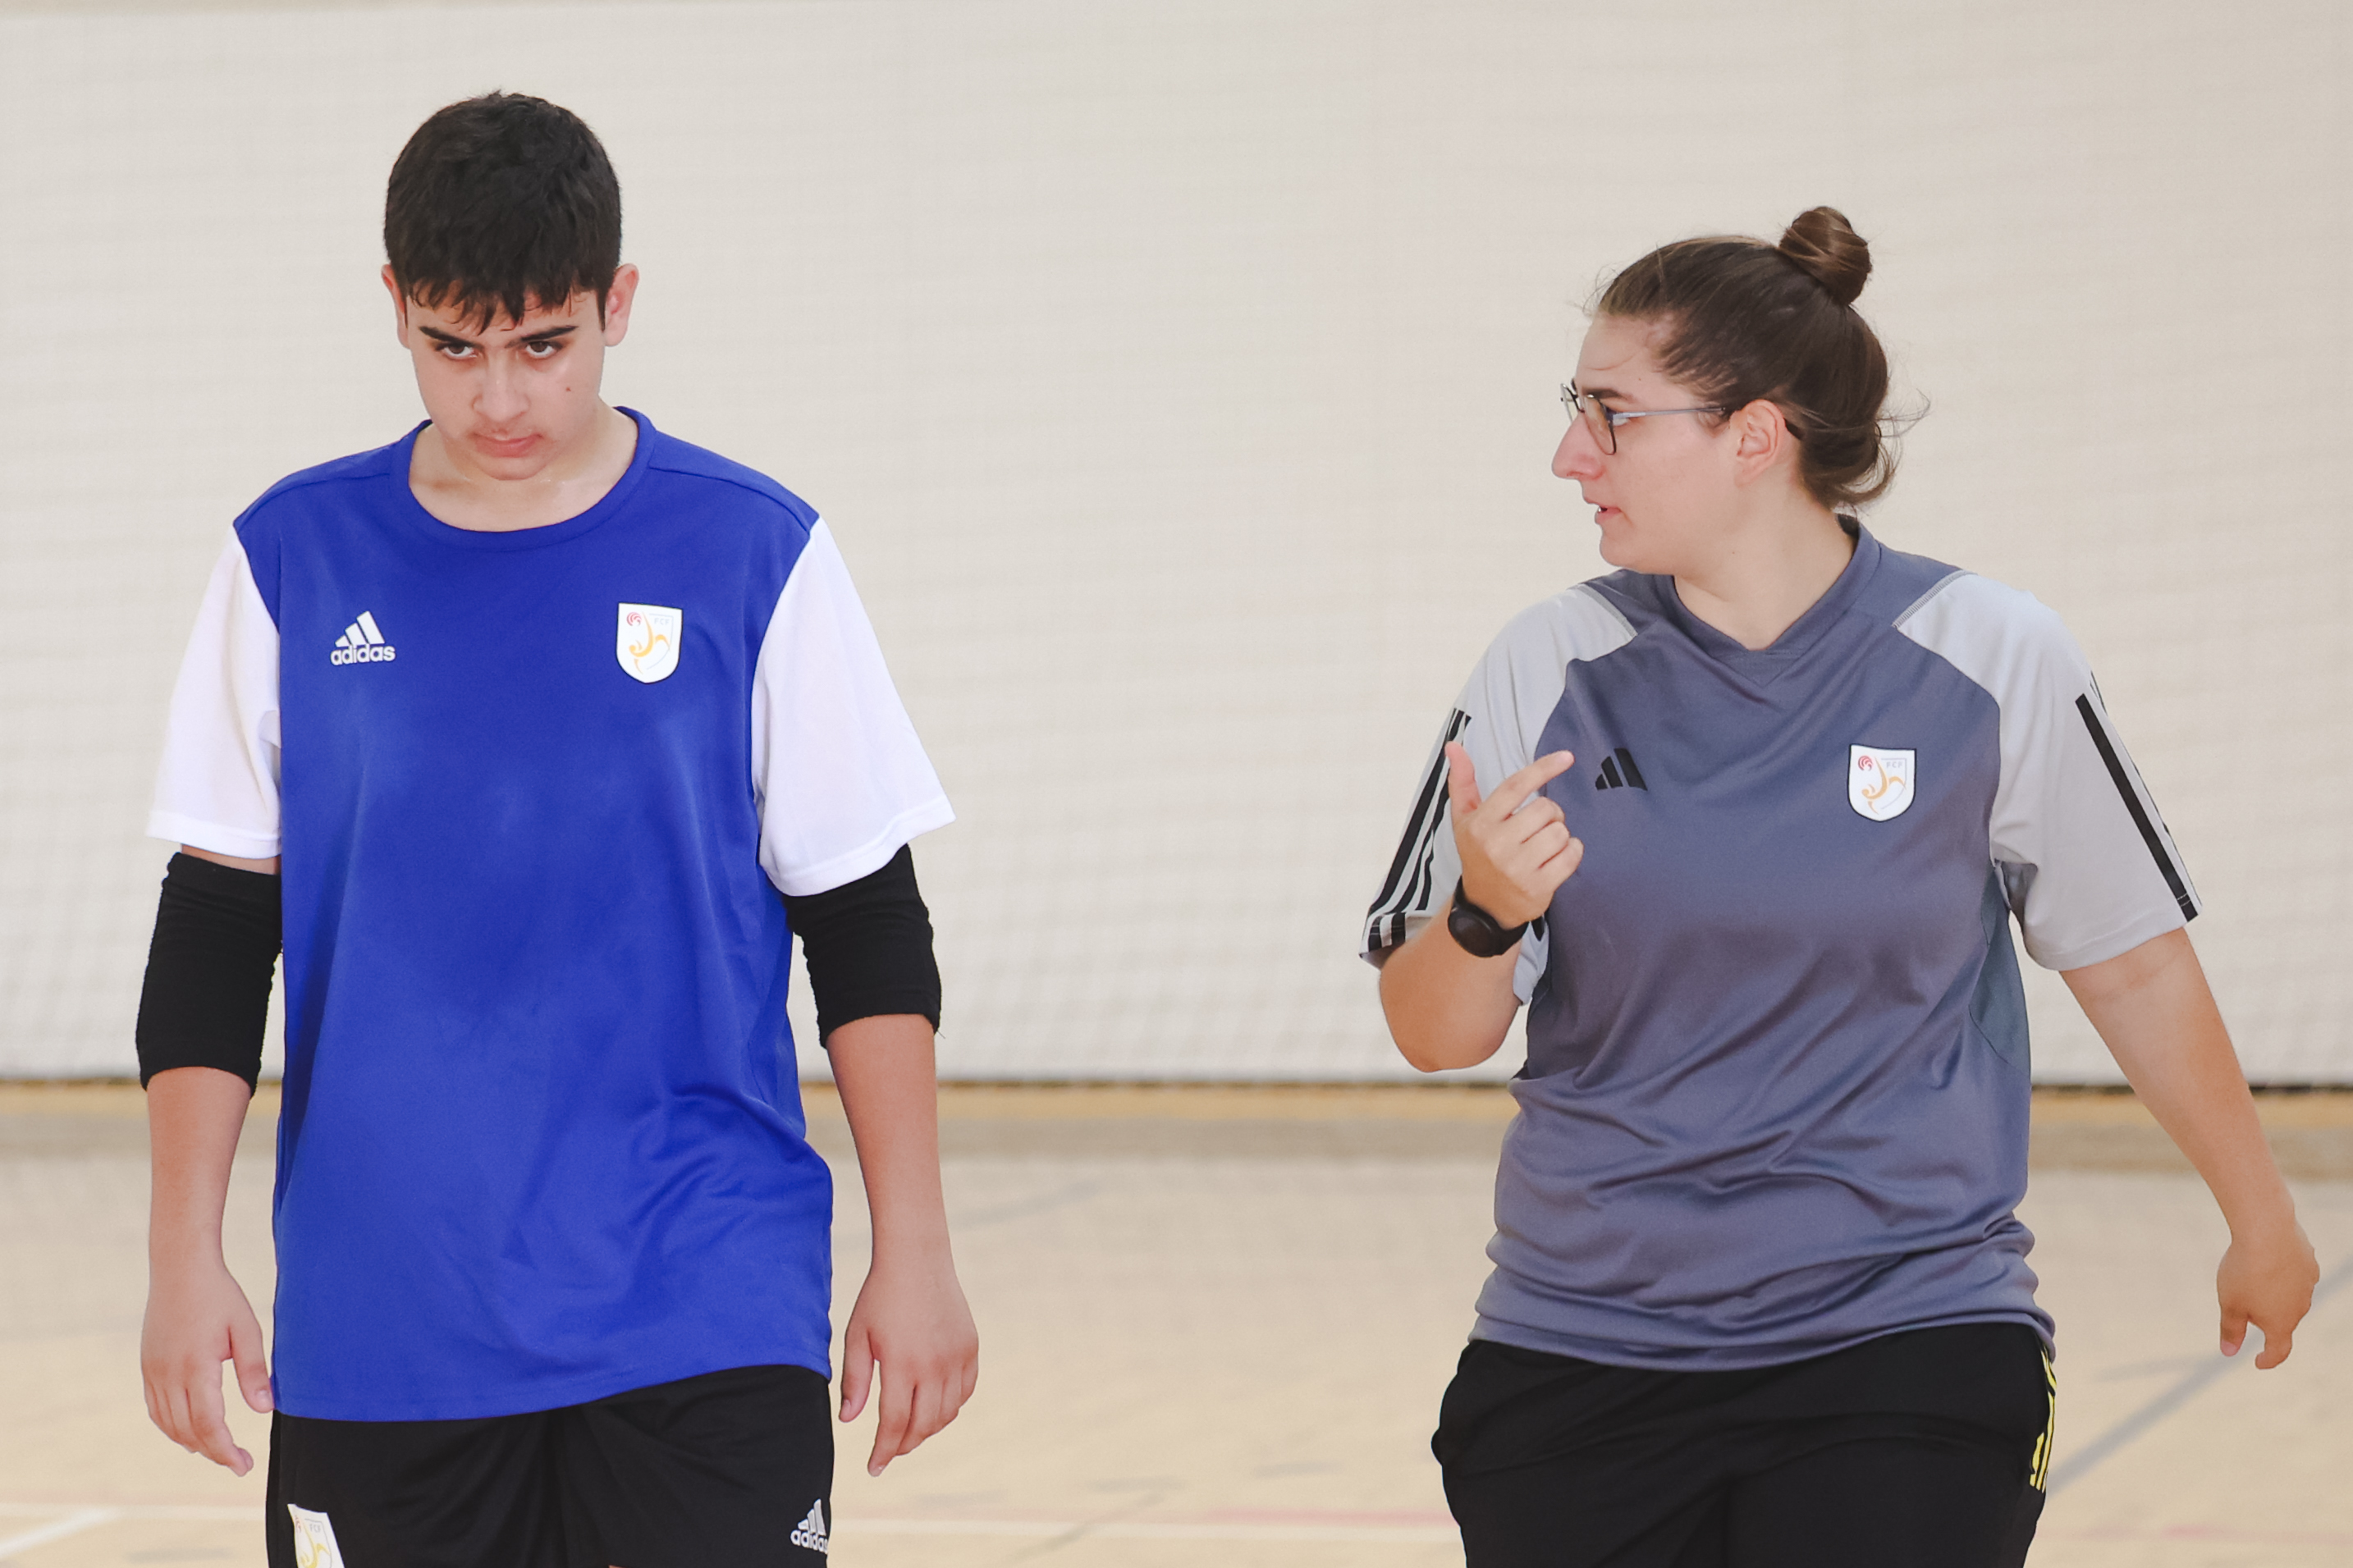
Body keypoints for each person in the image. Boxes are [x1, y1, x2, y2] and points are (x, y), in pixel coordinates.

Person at [1362, 206, 2319, 1568]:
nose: (1572, 457)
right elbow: (1433, 1032)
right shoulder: (1544, 667)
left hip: (1908, 1340)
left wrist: (2261, 1218)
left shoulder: (1990, 654)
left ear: (1754, 436)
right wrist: (1483, 913)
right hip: (1582, 1350)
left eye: (1611, 416)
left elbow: (2133, 959)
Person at [134, 92, 977, 1567]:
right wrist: (178, 1258)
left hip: (700, 1294)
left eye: (544, 345)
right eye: (454, 347)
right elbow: (213, 933)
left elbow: (864, 922)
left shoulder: (754, 551)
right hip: (387, 1314)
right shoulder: (291, 559)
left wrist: (918, 1252)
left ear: (617, 304)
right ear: (395, 306)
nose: (501, 399)